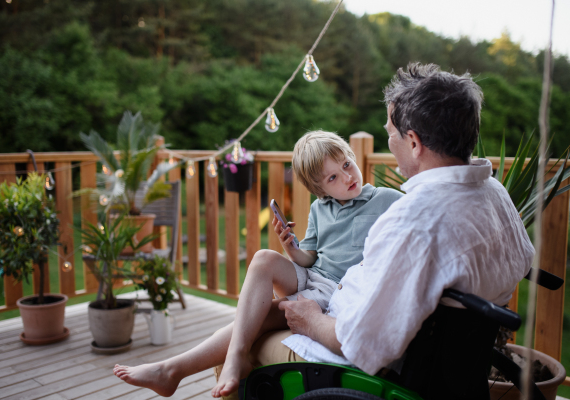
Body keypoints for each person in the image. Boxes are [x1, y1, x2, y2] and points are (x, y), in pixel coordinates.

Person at [274, 63, 535, 399]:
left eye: (390, 132)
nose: (388, 139)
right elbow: (524, 258)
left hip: (387, 373)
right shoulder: (493, 192)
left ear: (413, 142)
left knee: (251, 351)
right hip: (458, 370)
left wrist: (310, 321)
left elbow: (362, 345)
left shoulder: (413, 222)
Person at [113, 130, 403, 398]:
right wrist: (291, 247)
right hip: (314, 275)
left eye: (347, 165)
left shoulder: (385, 199)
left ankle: (174, 369)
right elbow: (310, 258)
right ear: (320, 190)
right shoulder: (319, 208)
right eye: (332, 178)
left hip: (337, 290)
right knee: (264, 257)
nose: (347, 176)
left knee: (265, 313)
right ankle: (207, 362)